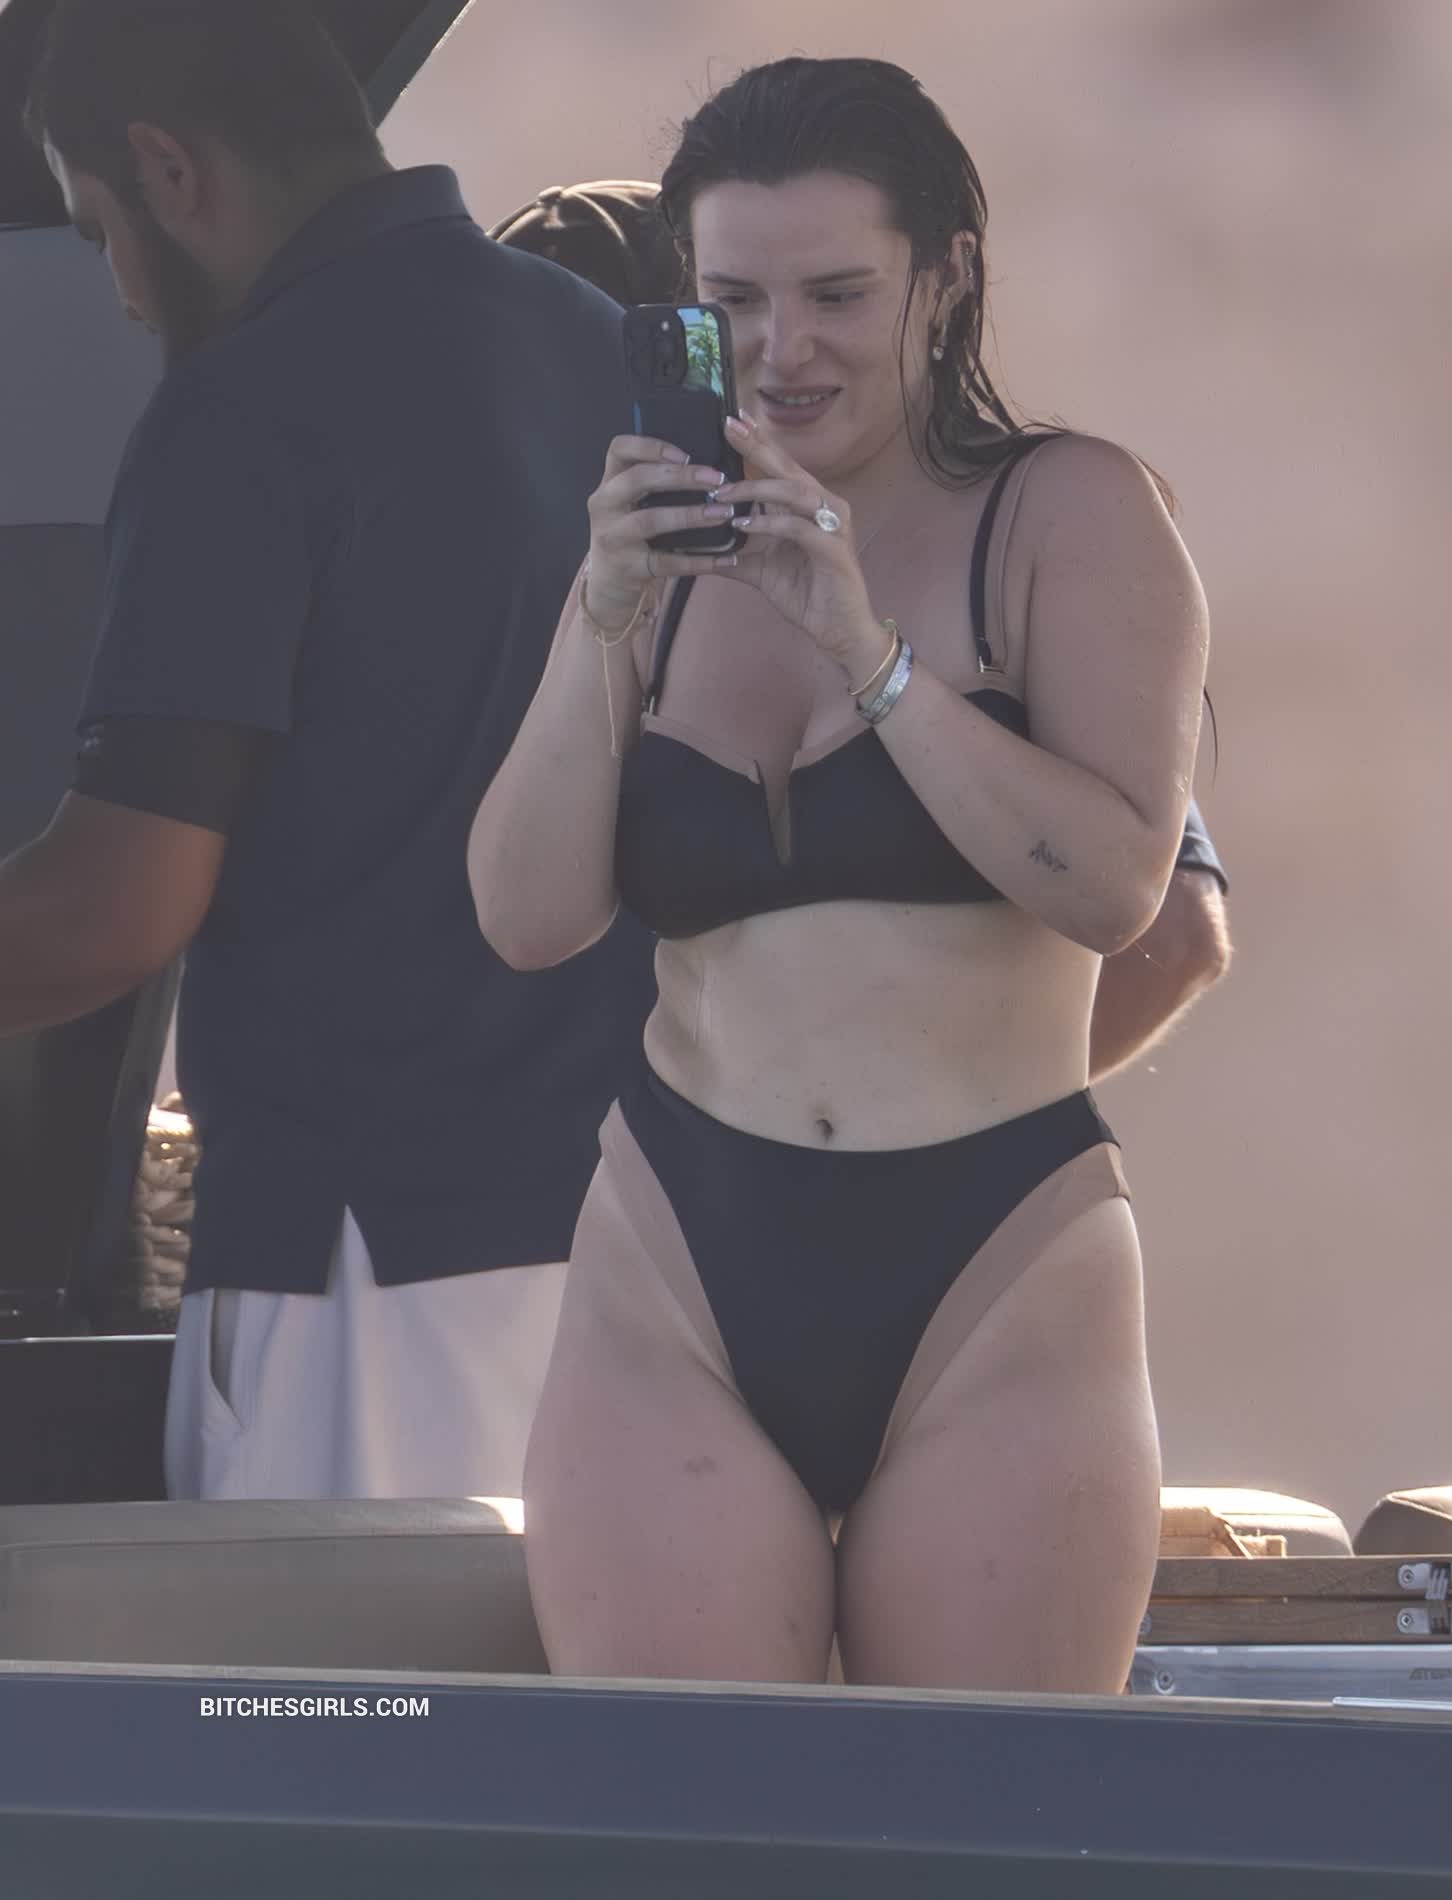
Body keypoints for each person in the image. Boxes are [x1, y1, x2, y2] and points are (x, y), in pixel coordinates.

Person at [471, 56, 1210, 1693]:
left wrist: (869, 657)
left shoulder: (1066, 513)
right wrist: (599, 615)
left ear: (943, 281)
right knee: (672, 1803)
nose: (780, 347)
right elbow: (524, 917)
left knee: (975, 1811)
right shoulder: (656, 548)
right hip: (679, 1243)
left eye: (835, 295)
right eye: (731, 300)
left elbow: (1118, 889)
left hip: (992, 1260)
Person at [4, 0, 654, 1500]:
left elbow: (117, 905)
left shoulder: (240, 410)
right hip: (638, 1251)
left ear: (169, 170)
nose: (118, 294)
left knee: (322, 1658)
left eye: (99, 231)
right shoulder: (598, 345)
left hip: (366, 1276)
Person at [493, 179, 1232, 1086]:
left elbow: (1170, 924)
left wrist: (949, 1125)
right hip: (622, 1156)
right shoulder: (584, 580)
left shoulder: (901, 560)